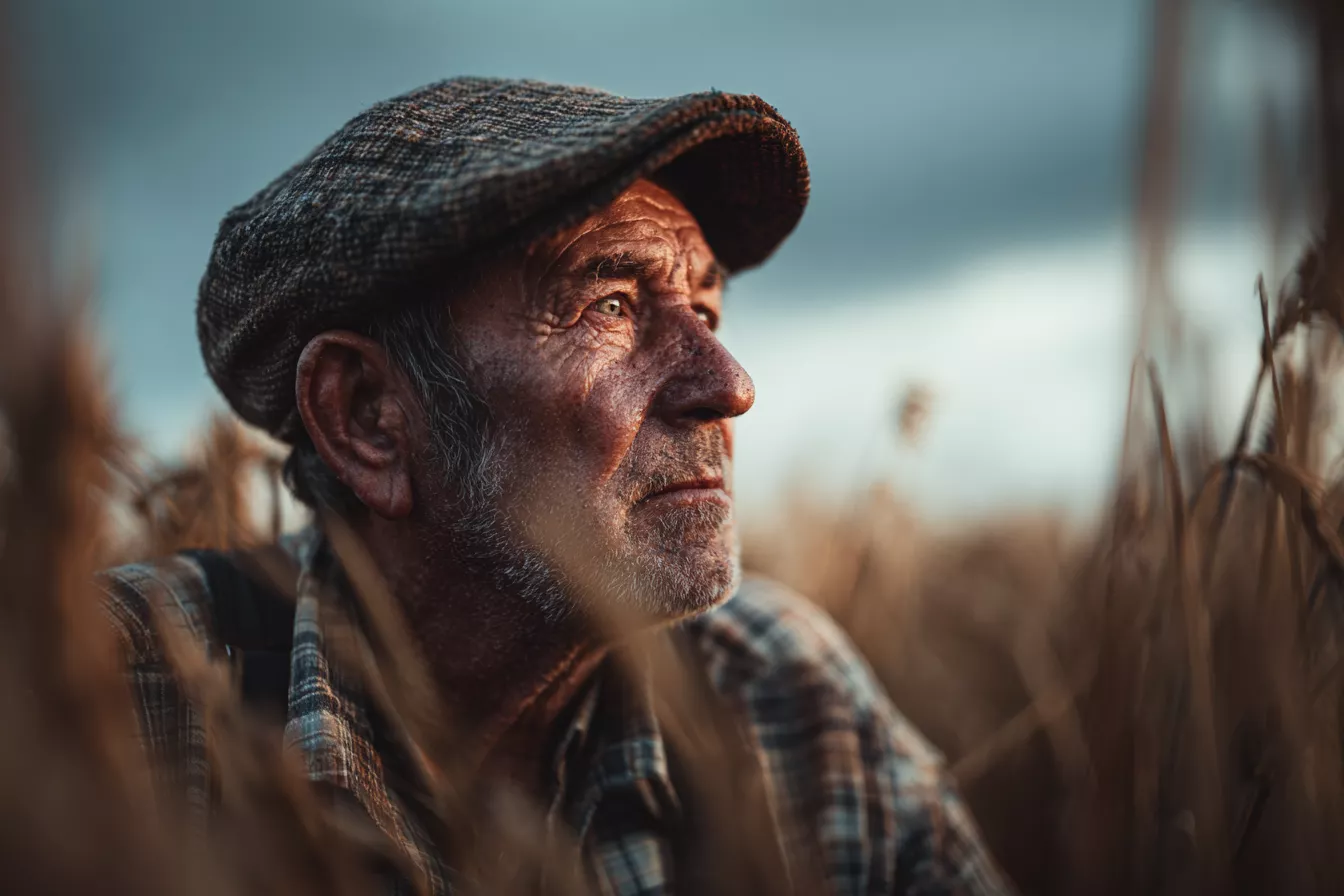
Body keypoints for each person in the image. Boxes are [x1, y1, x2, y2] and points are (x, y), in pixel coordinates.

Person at [100, 77, 1010, 895]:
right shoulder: (108, 709)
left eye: (704, 308)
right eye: (609, 306)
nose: (728, 384)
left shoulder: (783, 696)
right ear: (369, 417)